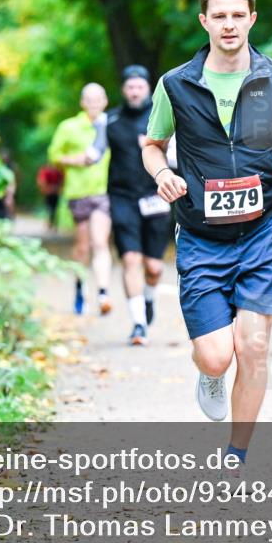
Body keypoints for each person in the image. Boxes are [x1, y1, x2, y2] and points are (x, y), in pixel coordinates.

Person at [141, 0, 272, 467]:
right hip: (202, 238)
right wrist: (162, 172)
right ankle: (208, 373)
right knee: (217, 355)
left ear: (252, 19)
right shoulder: (175, 85)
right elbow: (152, 144)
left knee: (254, 347)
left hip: (264, 232)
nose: (229, 25)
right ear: (205, 21)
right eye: (219, 16)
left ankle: (236, 453)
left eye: (237, 16)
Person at [106, 65, 172, 346]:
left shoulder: (162, 118)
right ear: (124, 89)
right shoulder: (111, 121)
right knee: (130, 259)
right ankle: (138, 324)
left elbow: (182, 153)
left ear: (148, 89)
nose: (135, 91)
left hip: (157, 195)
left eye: (140, 87)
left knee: (154, 267)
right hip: (122, 197)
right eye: (130, 87)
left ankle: (148, 298)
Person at [47, 83, 115, 316]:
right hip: (77, 194)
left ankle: (103, 293)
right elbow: (54, 156)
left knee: (100, 242)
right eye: (89, 99)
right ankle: (80, 287)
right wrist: (75, 160)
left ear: (105, 101)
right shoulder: (69, 127)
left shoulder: (109, 126)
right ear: (82, 102)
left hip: (102, 192)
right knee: (82, 247)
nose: (94, 104)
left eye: (98, 99)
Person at [36, 163, 64, 231]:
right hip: (50, 192)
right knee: (51, 209)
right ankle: (51, 223)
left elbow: (41, 181)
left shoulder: (56, 171)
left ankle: (52, 224)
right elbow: (42, 181)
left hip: (52, 192)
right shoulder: (47, 171)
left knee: (52, 209)